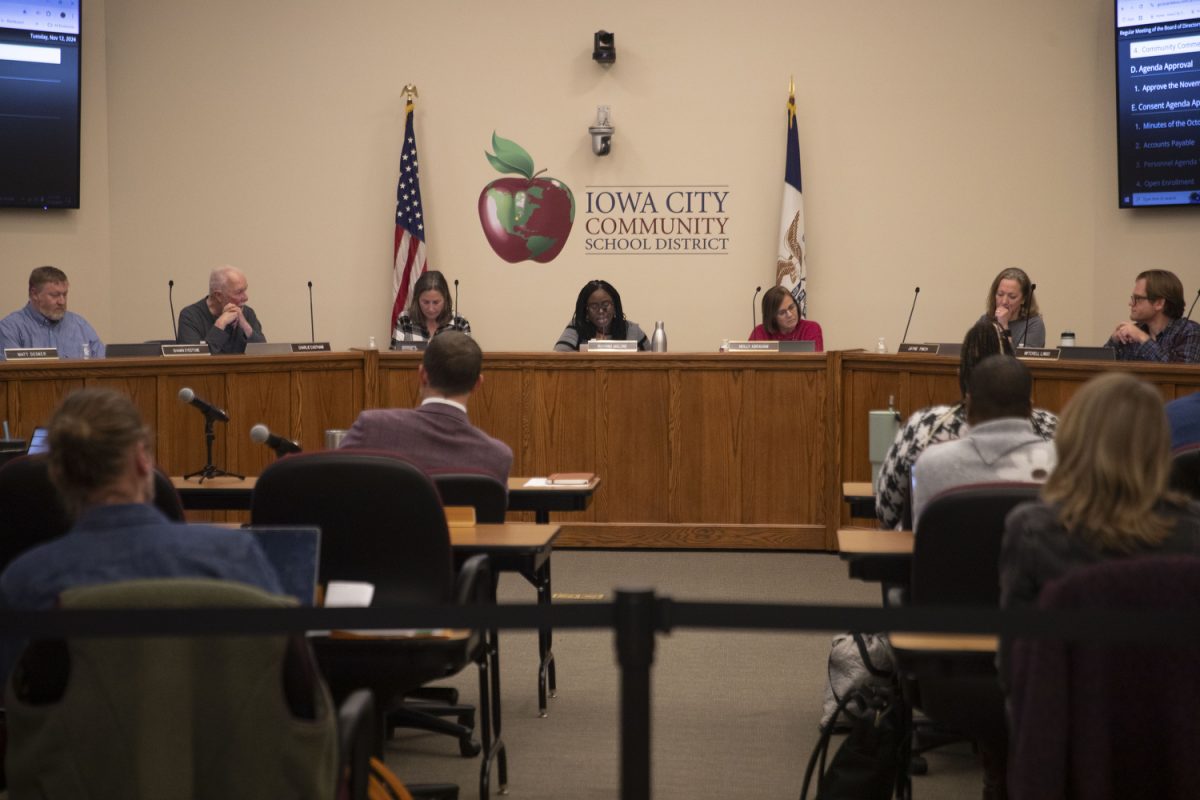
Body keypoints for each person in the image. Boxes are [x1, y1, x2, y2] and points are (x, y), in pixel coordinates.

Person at [0, 388, 282, 676]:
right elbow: (281, 676)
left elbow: (14, 697)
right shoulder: (234, 557)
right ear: (142, 458)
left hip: (80, 723)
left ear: (57, 475)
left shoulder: (24, 582)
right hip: (208, 721)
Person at [999, 371, 1200, 672]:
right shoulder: (1193, 529)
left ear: (1072, 437)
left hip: (1065, 711)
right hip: (1175, 713)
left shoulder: (1034, 530)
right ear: (1159, 444)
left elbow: (1014, 662)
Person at [874, 320, 1058, 530]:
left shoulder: (924, 430)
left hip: (940, 560)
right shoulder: (1055, 436)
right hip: (1030, 561)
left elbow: (886, 511)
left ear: (968, 405)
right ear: (1028, 406)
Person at [341, 331, 512, 484]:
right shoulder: (497, 457)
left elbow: (331, 487)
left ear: (422, 375)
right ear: (477, 384)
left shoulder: (372, 427)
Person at [910, 355, 1056, 527]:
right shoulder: (1065, 466)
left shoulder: (932, 464)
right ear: (1031, 409)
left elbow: (921, 540)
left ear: (968, 405)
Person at [0, 266, 104, 359]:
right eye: (55, 295)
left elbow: (102, 368)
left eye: (65, 294)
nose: (62, 301)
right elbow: (10, 375)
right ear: (35, 294)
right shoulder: (9, 329)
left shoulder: (80, 326)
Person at [1106, 269, 1200, 363]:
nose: (1130, 303)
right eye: (1132, 298)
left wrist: (1143, 338)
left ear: (1159, 303)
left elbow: (1181, 373)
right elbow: (1100, 371)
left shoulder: (1189, 331)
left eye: (1137, 298)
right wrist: (1113, 341)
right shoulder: (1132, 333)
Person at [177, 266, 266, 354]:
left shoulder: (247, 313)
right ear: (218, 296)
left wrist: (245, 325)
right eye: (239, 292)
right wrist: (220, 324)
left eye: (245, 290)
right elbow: (194, 360)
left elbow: (264, 353)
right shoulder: (190, 316)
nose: (246, 298)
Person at [554, 279, 649, 351]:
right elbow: (558, 357)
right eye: (594, 306)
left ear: (615, 306)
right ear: (585, 310)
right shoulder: (577, 326)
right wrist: (594, 349)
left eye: (606, 304)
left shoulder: (631, 330)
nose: (600, 311)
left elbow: (653, 361)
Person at [390, 270, 471, 347]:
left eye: (436, 302)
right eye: (425, 302)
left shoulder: (460, 323)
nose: (430, 309)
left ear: (445, 299)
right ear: (417, 299)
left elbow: (468, 359)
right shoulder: (404, 320)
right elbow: (394, 359)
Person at [979, 267, 1044, 348]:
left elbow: (1016, 360)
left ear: (1023, 299)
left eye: (1012, 296)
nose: (1004, 301)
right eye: (1000, 294)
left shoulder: (1033, 324)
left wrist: (1003, 326)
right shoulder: (985, 320)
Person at [747, 285, 824, 350]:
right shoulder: (759, 333)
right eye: (782, 312)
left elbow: (815, 363)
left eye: (791, 307)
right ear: (772, 317)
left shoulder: (811, 328)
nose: (790, 315)